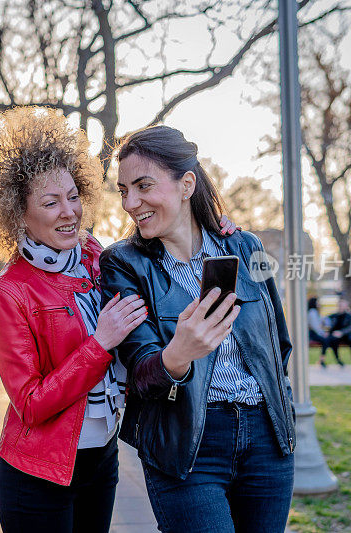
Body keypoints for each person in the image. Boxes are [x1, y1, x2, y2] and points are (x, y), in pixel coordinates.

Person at [0, 108, 239, 533]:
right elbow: (31, 404)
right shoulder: (9, 293)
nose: (68, 212)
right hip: (39, 472)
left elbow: (155, 250)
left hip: (101, 459)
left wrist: (208, 225)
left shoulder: (96, 256)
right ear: (19, 214)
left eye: (73, 196)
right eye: (50, 202)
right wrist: (99, 344)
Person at [99, 125, 295, 533]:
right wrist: (178, 354)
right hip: (186, 444)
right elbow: (139, 374)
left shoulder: (244, 247)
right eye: (123, 190)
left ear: (186, 184)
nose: (131, 203)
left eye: (143, 185)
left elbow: (278, 345)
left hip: (267, 442)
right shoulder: (124, 264)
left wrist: (282, 414)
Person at [327, 298, 351, 368]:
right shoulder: (334, 316)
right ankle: (338, 360)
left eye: (342, 305)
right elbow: (327, 323)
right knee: (333, 340)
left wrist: (341, 332)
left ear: (346, 306)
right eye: (339, 305)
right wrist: (329, 332)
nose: (340, 307)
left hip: (348, 335)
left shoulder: (350, 316)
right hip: (338, 336)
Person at [308, 297, 338, 368]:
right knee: (326, 340)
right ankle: (322, 360)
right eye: (317, 302)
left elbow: (324, 320)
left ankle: (323, 360)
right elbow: (315, 327)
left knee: (330, 340)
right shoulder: (312, 312)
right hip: (312, 334)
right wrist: (323, 333)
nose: (319, 304)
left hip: (316, 333)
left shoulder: (315, 312)